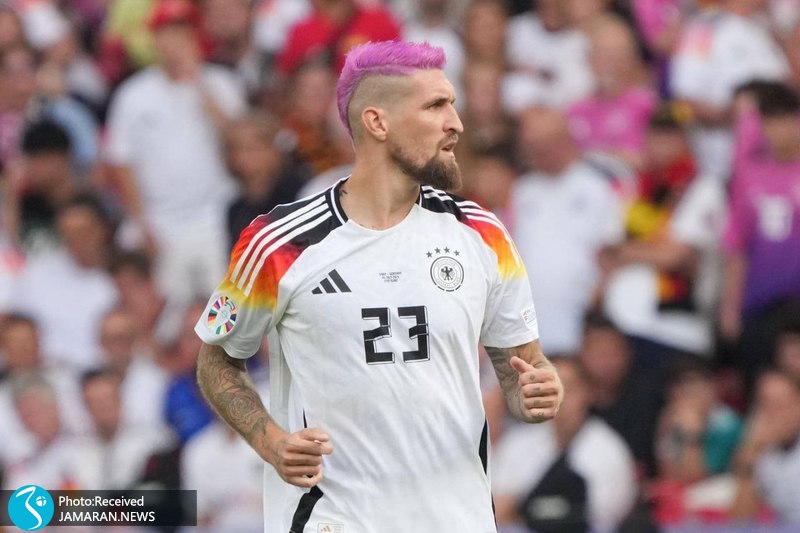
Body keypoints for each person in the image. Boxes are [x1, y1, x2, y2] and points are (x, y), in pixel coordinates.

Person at [195, 40, 564, 532]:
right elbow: (217, 360)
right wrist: (271, 441)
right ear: (377, 122)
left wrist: (537, 392)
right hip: (333, 520)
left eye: (453, 104)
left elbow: (522, 371)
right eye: (435, 106)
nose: (456, 123)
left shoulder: (482, 234)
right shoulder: (278, 243)